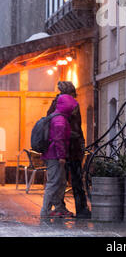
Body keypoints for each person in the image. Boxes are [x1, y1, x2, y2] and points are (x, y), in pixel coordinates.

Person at [47, 81, 91, 219]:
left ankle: (59, 207)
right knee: (75, 180)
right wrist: (79, 140)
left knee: (62, 181)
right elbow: (75, 128)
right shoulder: (71, 105)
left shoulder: (55, 105)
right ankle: (81, 209)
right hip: (69, 149)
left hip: (64, 149)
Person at [40, 93, 78, 218]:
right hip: (54, 156)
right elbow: (59, 139)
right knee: (53, 182)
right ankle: (45, 210)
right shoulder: (60, 120)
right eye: (72, 107)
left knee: (60, 182)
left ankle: (58, 208)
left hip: (52, 155)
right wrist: (61, 156)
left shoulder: (56, 116)